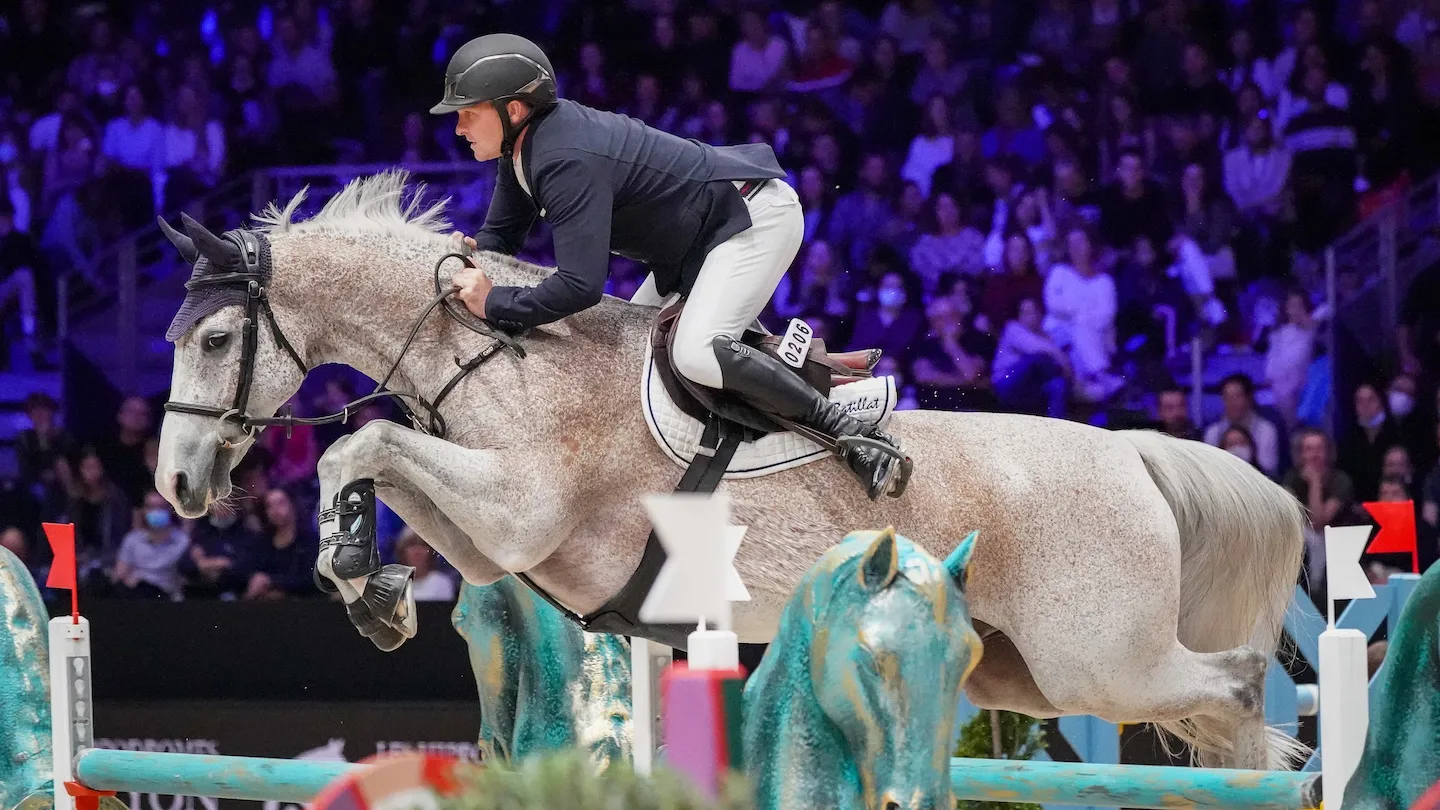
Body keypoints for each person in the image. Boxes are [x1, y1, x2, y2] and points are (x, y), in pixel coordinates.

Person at [431, 34, 905, 499]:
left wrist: (493, 301)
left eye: (468, 113)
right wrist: (472, 254)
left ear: (512, 110)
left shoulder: (563, 158)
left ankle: (852, 436)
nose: (458, 128)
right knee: (632, 355)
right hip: (698, 242)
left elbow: (580, 286)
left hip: (750, 218)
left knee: (694, 353)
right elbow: (502, 239)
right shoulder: (525, 148)